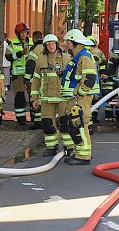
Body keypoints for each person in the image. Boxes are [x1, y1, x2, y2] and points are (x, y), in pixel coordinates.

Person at [60, 29, 98, 165]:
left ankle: (84, 156)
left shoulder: (84, 56)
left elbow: (90, 77)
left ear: (75, 42)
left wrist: (81, 92)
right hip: (76, 98)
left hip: (81, 98)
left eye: (68, 42)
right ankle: (79, 152)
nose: (66, 45)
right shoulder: (78, 56)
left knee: (81, 125)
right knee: (76, 125)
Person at [27, 34, 69, 156]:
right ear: (45, 46)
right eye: (48, 44)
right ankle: (51, 147)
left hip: (63, 97)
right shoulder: (41, 59)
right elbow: (36, 80)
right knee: (47, 124)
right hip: (46, 98)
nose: (51, 46)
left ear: (57, 44)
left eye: (53, 43)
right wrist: (34, 98)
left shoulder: (67, 58)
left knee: (65, 124)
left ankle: (69, 147)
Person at [5, 22, 34, 125]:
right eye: (21, 32)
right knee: (19, 97)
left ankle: (34, 118)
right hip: (18, 75)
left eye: (25, 32)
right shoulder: (12, 43)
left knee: (33, 96)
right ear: (17, 33)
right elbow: (8, 57)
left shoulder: (32, 42)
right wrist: (20, 54)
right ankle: (21, 119)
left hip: (31, 74)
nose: (24, 34)